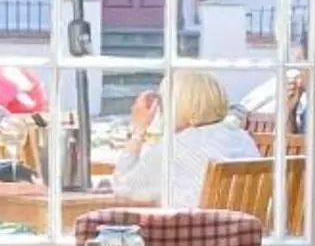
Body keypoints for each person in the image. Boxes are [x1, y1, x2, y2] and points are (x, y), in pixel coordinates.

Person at [108, 68, 258, 210]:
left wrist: (138, 130)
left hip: (191, 233)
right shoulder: (242, 138)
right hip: (242, 233)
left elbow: (123, 187)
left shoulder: (172, 149)